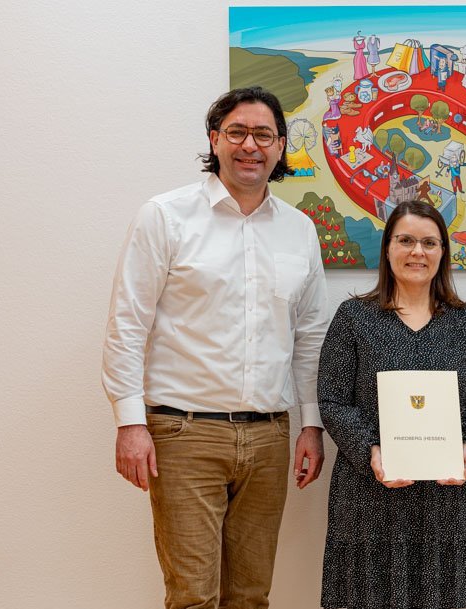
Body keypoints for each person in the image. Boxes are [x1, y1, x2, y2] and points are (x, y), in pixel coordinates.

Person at [103, 86, 328, 609]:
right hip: (185, 435)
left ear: (280, 146)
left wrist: (311, 425)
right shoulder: (165, 216)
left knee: (251, 596)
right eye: (237, 132)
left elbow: (310, 337)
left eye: (264, 135)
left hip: (269, 437)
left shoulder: (300, 231)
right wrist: (129, 423)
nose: (250, 145)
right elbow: (127, 324)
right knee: (193, 598)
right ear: (214, 139)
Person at [318, 200, 466, 609]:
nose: (418, 251)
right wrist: (371, 451)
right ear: (387, 249)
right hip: (370, 494)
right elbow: (332, 399)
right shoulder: (353, 317)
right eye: (406, 241)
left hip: (446, 500)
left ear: (442, 253)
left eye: (429, 243)